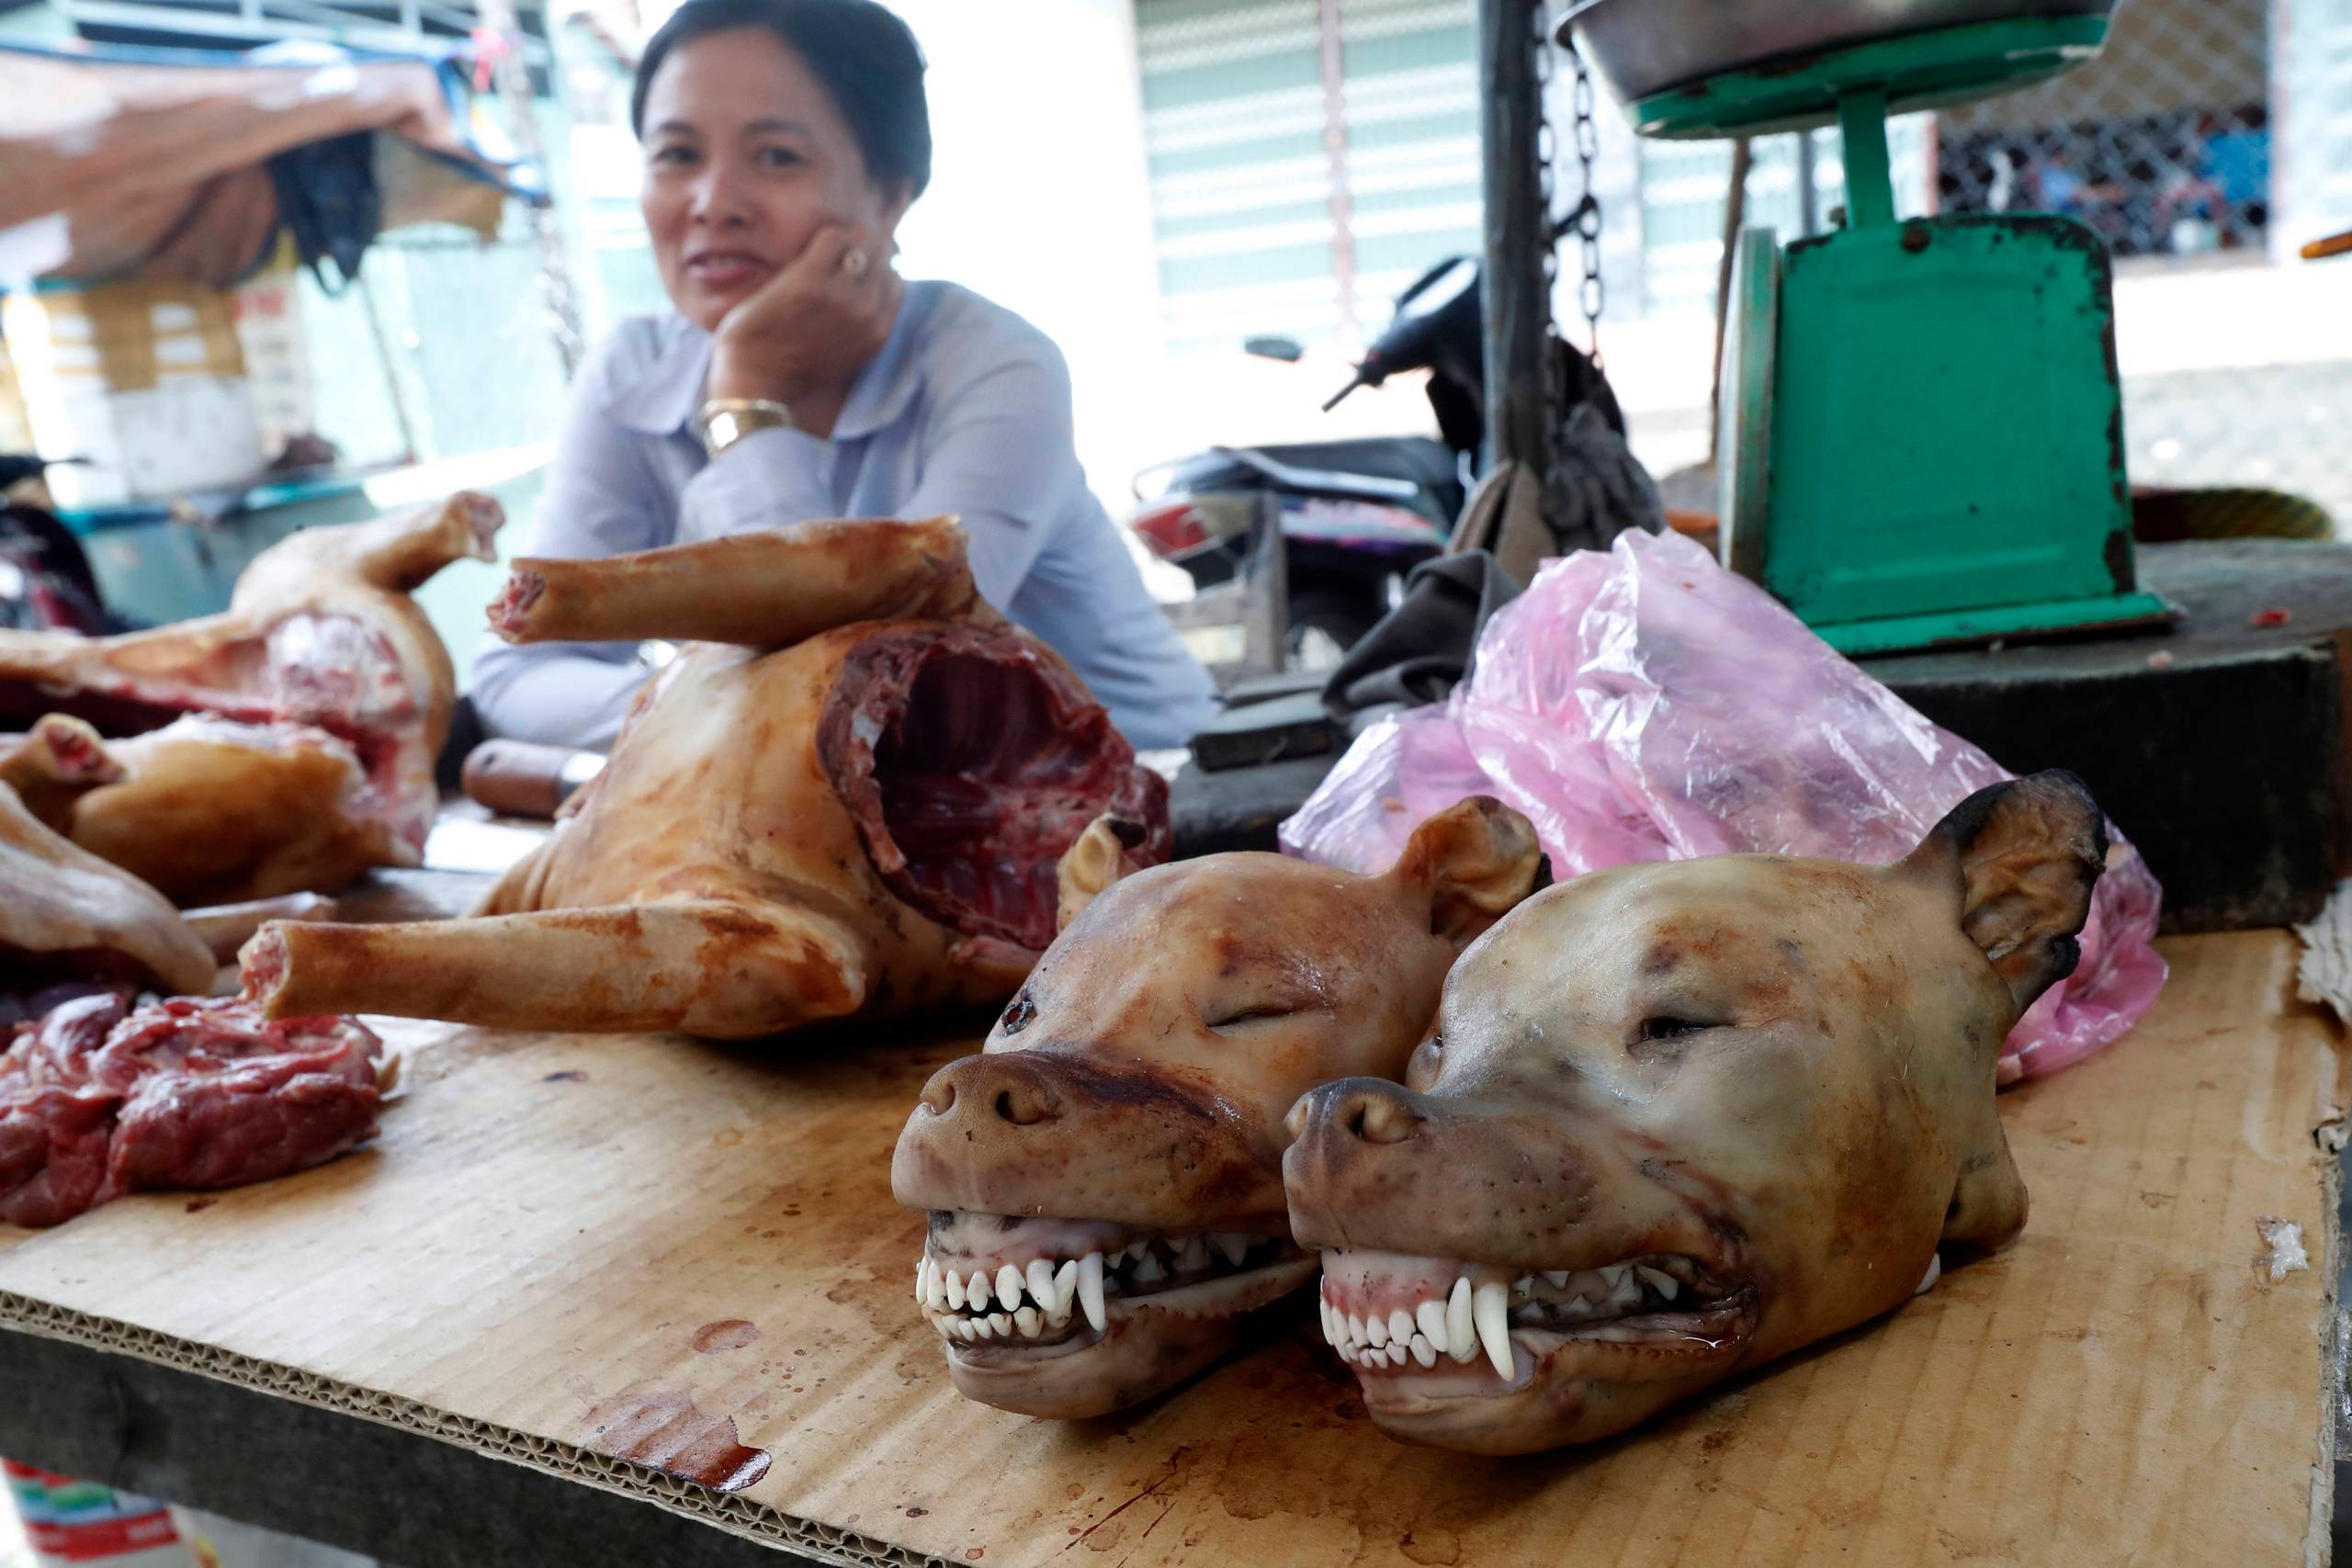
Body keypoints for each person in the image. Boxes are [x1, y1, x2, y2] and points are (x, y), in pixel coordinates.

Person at [469, 0, 1219, 751]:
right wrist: (701, 709)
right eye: (676, 155)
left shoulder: (995, 364)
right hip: (859, 821)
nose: (712, 204)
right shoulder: (636, 369)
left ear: (890, 194)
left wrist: (746, 401)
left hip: (1147, 804)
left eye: (776, 158)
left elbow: (879, 701)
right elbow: (520, 671)